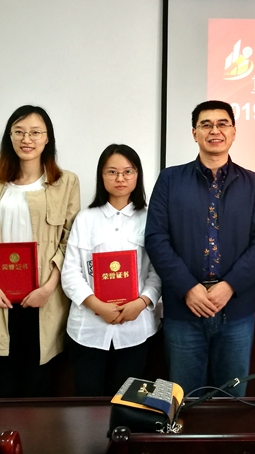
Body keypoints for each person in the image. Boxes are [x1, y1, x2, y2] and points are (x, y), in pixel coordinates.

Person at [145, 100, 255, 396]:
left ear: (234, 131)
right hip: (184, 309)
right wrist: (188, 288)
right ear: (194, 133)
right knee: (183, 399)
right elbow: (156, 238)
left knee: (232, 400)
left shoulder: (253, 183)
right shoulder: (170, 179)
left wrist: (229, 286)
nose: (215, 130)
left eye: (222, 124)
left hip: (235, 310)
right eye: (206, 124)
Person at [0, 105, 80, 398]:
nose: (27, 139)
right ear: (9, 137)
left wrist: (48, 288)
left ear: (47, 139)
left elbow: (69, 242)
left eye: (36, 132)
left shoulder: (65, 182)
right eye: (19, 132)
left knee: (38, 392)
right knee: (1, 392)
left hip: (43, 301)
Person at [61, 144, 161, 396]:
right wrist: (97, 305)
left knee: (127, 403)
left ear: (137, 176)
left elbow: (158, 271)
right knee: (88, 404)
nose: (120, 178)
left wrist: (142, 302)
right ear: (101, 175)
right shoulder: (85, 219)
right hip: (88, 329)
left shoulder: (151, 219)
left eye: (128, 171)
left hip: (136, 329)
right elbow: (70, 272)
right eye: (112, 172)